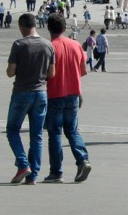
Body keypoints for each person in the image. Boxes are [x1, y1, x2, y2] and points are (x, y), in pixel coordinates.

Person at [6, 13, 55, 185]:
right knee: (37, 135)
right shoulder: (48, 45)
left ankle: (23, 163)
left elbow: (10, 72)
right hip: (41, 93)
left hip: (21, 92)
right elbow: (52, 73)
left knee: (12, 130)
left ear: (22, 26)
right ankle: (32, 175)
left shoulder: (19, 44)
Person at [43, 13, 91, 183]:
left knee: (55, 133)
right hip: (73, 93)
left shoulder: (49, 47)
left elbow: (45, 74)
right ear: (64, 28)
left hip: (54, 94)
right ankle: (82, 159)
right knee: (72, 130)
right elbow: (83, 71)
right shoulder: (76, 45)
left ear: (49, 28)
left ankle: (56, 172)